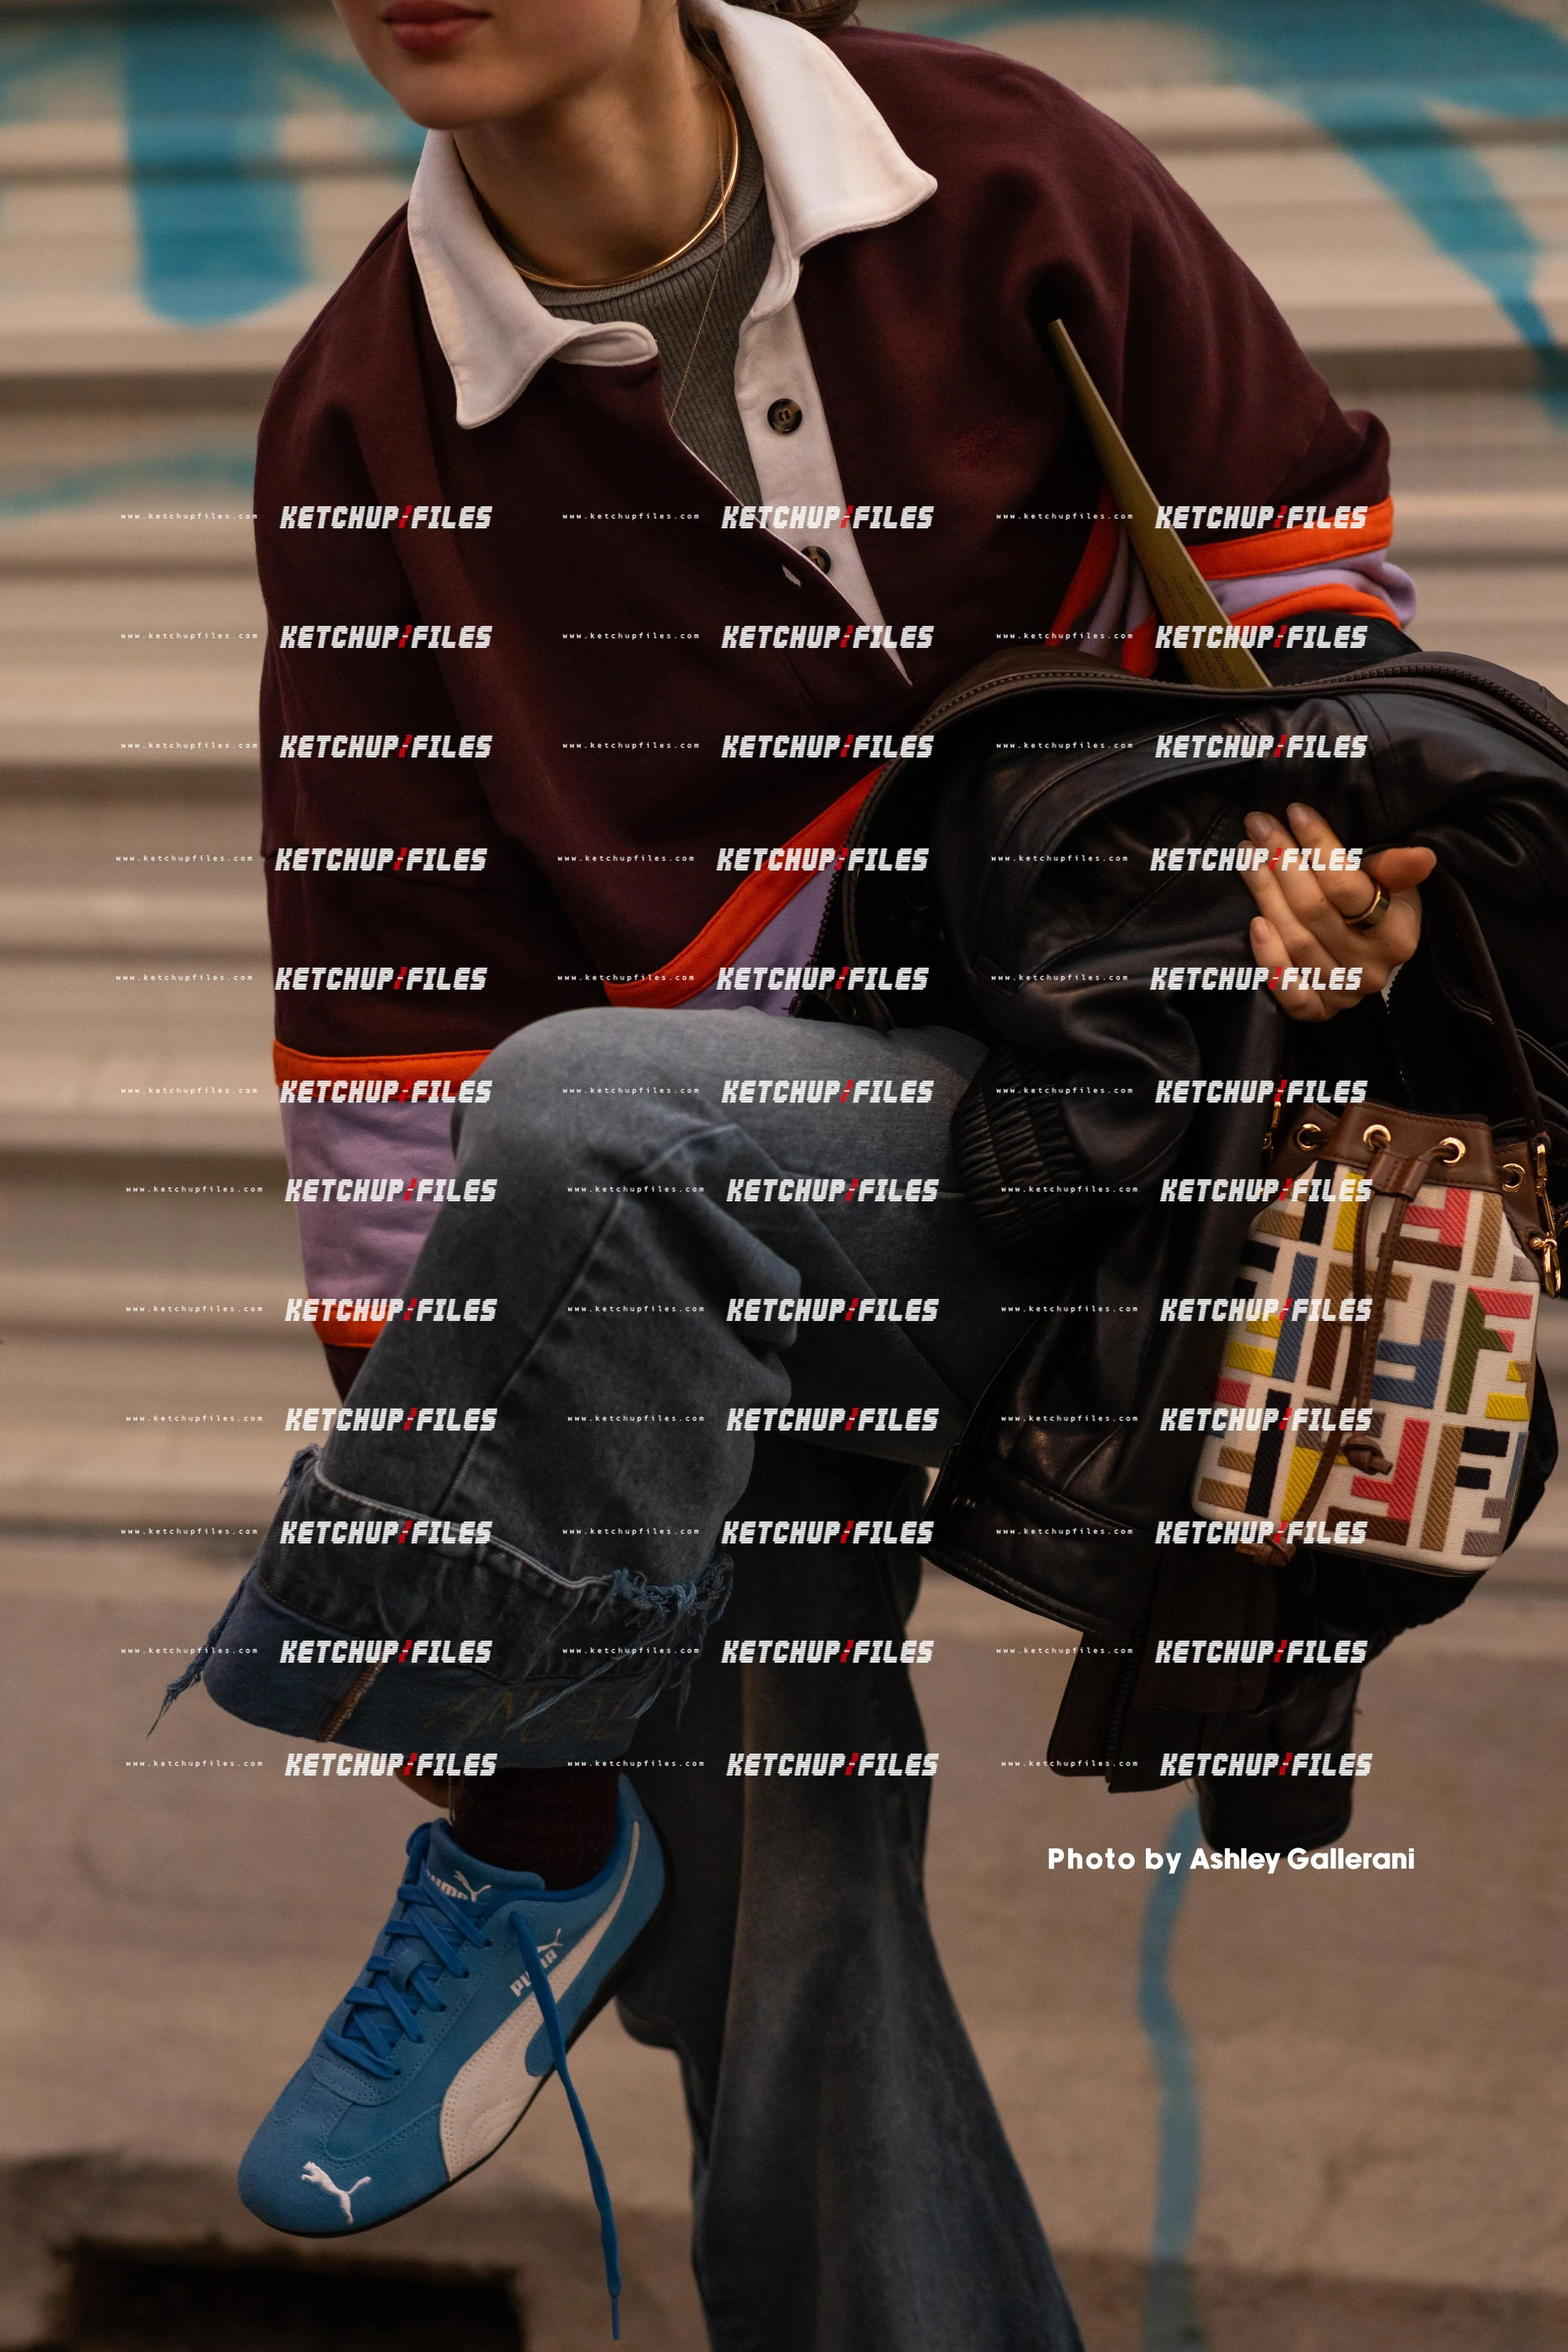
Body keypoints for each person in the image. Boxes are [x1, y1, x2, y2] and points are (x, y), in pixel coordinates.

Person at [168, 2, 1432, 2343]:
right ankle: (560, 1826)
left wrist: (1320, 853)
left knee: (583, 1103)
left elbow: (1303, 592)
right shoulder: (360, 418)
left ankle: (522, 1841)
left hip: (1137, 1150)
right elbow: (382, 1061)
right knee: (776, 1966)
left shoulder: (1003, 180)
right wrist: (482, 1488)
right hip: (697, 1283)